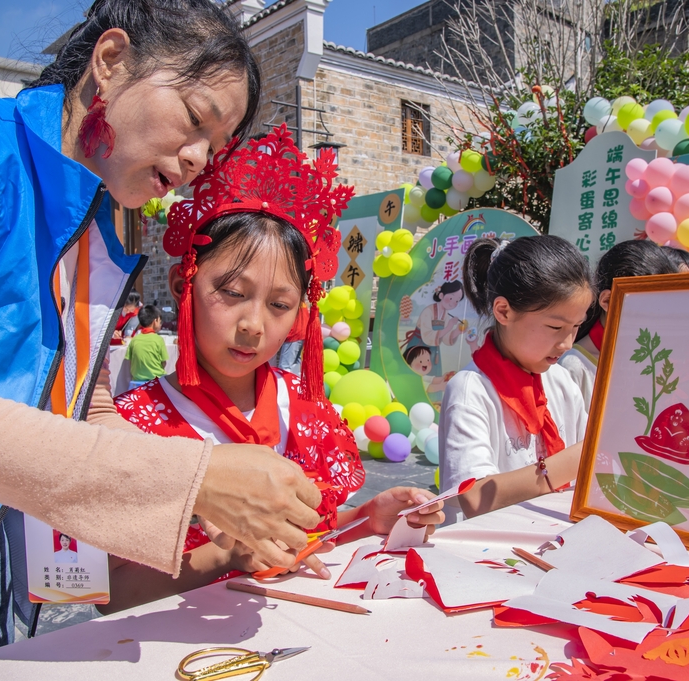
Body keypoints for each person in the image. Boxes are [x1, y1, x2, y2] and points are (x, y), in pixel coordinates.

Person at [0, 1, 326, 676]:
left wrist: (207, 505)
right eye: (193, 119)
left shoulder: (94, 231)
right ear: (109, 61)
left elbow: (83, 410)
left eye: (213, 149)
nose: (194, 160)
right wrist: (198, 480)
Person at [106, 125, 444, 613]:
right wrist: (228, 553)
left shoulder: (304, 408)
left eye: (280, 304)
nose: (253, 325)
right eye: (233, 293)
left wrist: (370, 517)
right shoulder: (129, 424)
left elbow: (311, 535)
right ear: (185, 284)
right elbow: (111, 595)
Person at [439, 236, 592, 520]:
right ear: (503, 311)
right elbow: (474, 497)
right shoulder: (471, 390)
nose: (568, 342)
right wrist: (578, 460)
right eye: (555, 326)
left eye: (576, 326)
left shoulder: (561, 380)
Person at [559, 240, 678, 410]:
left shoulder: (654, 361)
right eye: (649, 307)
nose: (659, 318)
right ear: (607, 300)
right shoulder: (573, 367)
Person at [125, 304, 168, 389]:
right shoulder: (158, 340)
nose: (160, 324)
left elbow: (131, 362)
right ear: (155, 321)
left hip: (136, 384)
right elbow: (164, 362)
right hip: (156, 382)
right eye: (160, 321)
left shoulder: (134, 340)